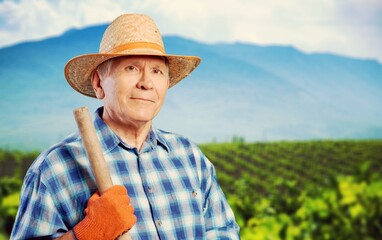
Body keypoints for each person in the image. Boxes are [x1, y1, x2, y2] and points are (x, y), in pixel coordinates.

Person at [11, 13, 240, 239]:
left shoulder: (189, 157)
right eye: (131, 68)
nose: (146, 83)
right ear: (99, 83)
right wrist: (89, 232)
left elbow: (224, 232)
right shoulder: (54, 168)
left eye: (157, 71)